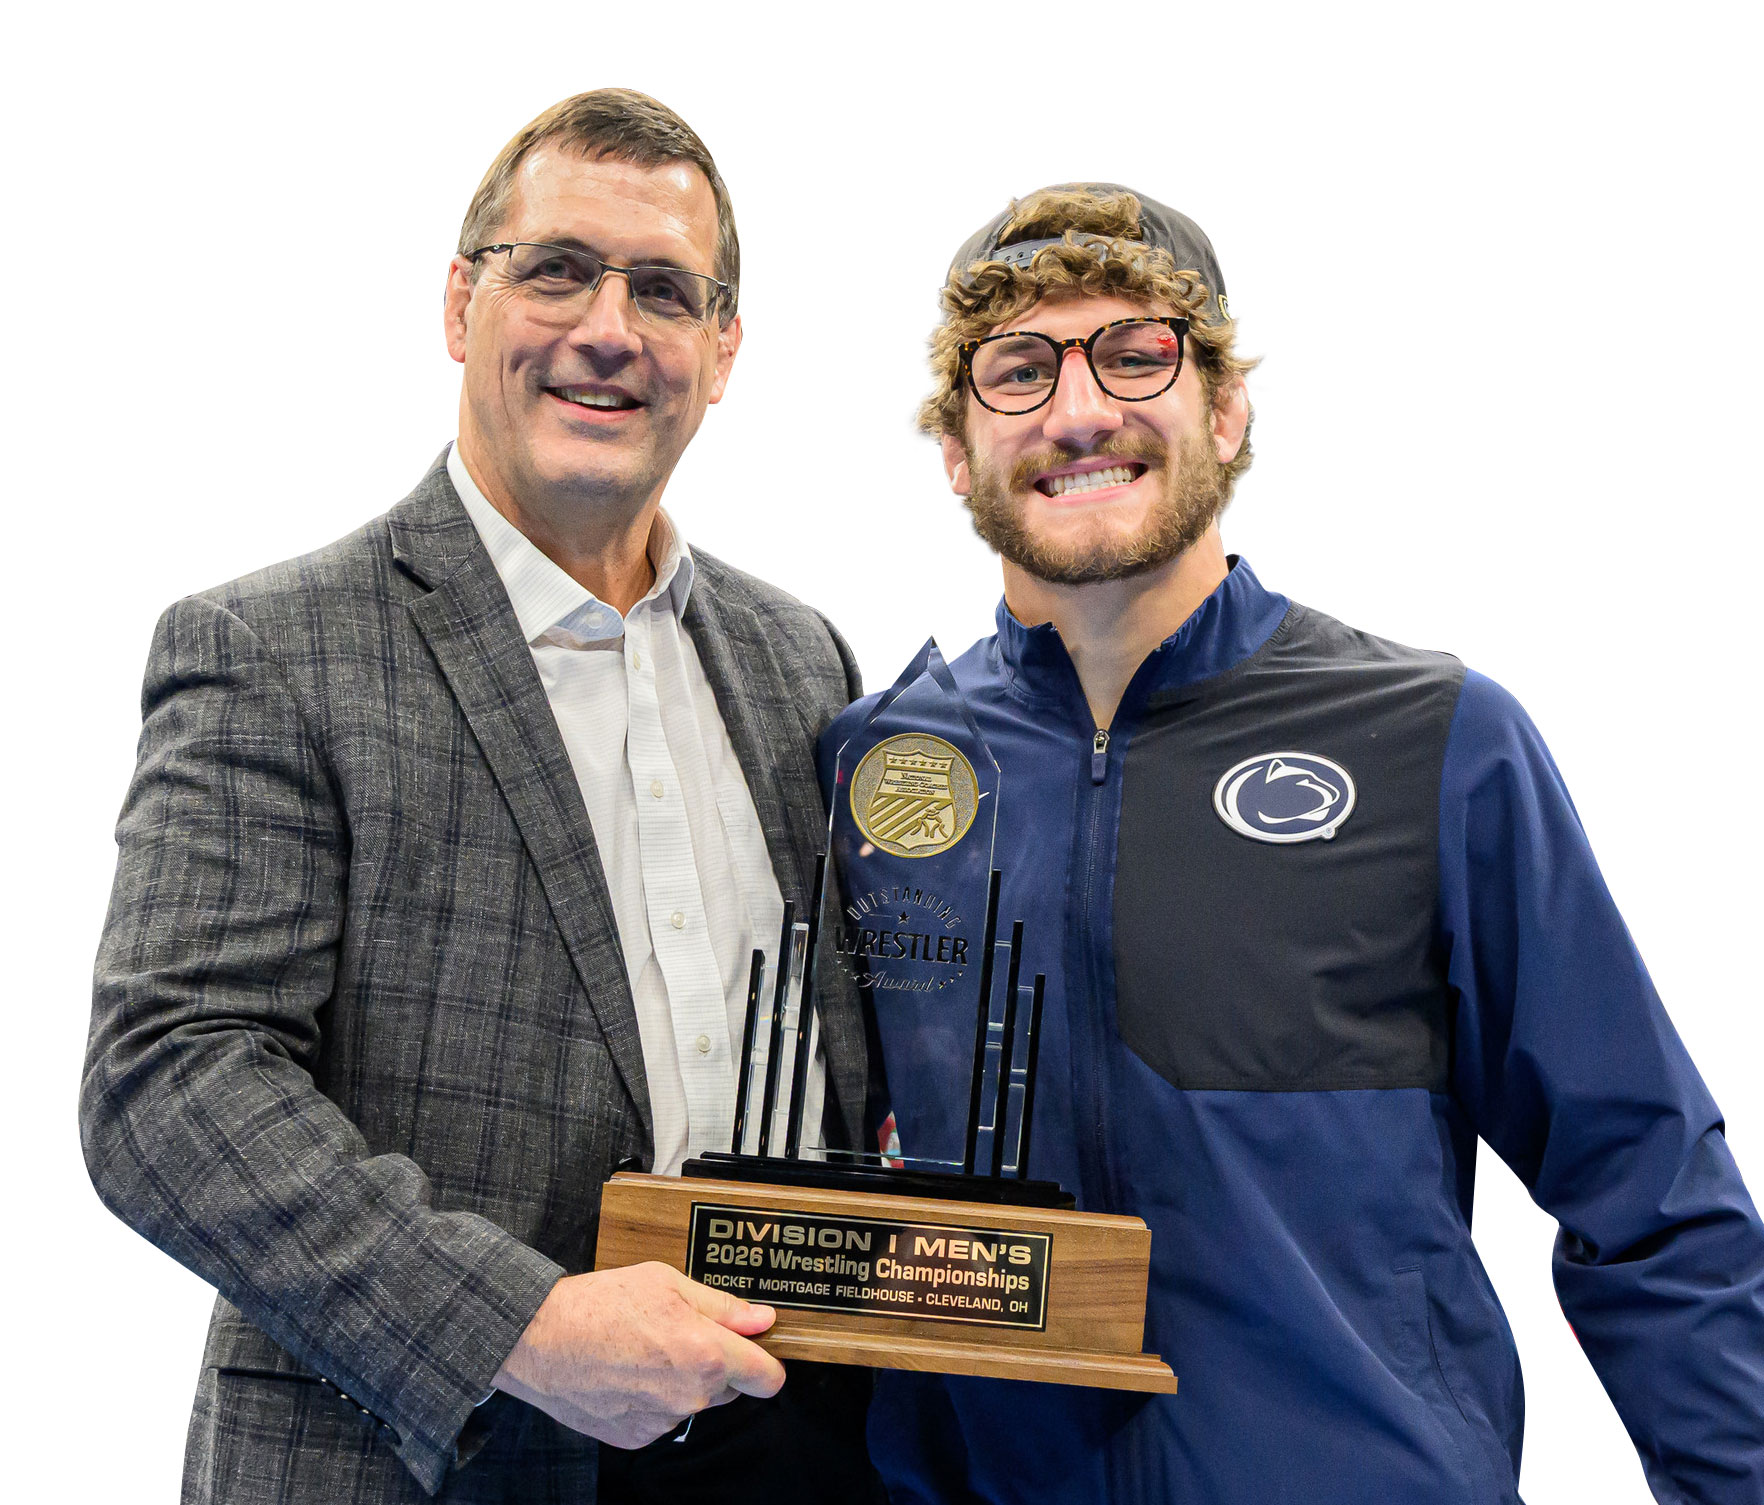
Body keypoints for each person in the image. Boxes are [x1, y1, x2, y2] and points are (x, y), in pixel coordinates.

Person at [826, 184, 1764, 1503]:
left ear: (1226, 405)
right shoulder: (874, 775)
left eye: (1137, 351)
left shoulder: (1437, 740)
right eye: (1019, 370)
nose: (1080, 410)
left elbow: (1652, 1196)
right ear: (956, 449)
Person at [82, 90, 876, 1504]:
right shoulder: (273, 647)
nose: (609, 328)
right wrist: (521, 1324)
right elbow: (170, 1085)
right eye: (557, 268)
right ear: (462, 304)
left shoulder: (800, 662)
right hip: (412, 1460)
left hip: (779, 1461)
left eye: (665, 290)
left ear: (724, 347)